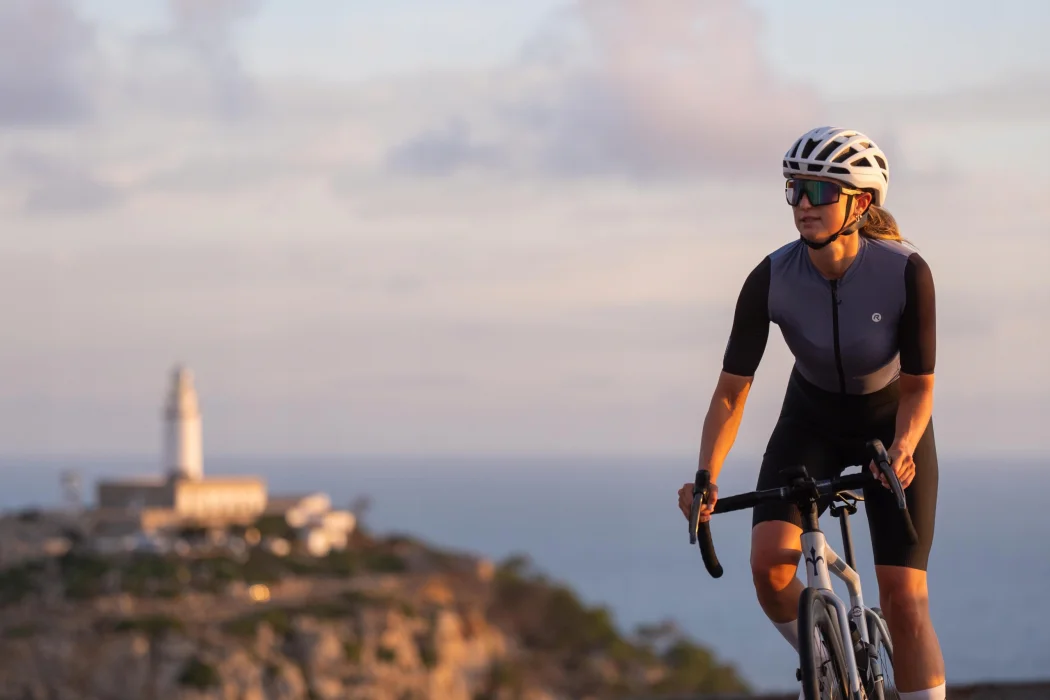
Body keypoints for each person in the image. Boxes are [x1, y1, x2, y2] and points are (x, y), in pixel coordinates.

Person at [676, 126, 945, 700]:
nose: (802, 203)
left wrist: (902, 449)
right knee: (769, 570)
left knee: (904, 598)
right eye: (795, 189)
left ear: (861, 203)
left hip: (889, 424)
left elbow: (919, 388)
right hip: (811, 421)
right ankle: (830, 670)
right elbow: (731, 393)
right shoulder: (771, 277)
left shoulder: (905, 272)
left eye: (819, 191)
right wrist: (706, 476)